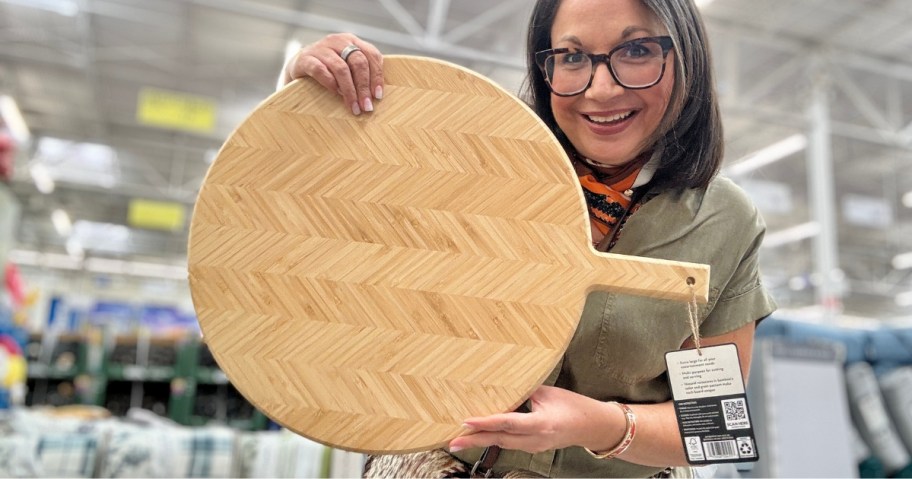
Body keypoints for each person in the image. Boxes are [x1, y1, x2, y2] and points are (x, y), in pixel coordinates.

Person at [282, 0, 777, 477]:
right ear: (545, 69)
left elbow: (711, 428)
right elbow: (325, 233)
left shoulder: (722, 221)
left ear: (686, 57)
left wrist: (598, 425)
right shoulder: (478, 165)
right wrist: (311, 103)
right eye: (573, 57)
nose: (601, 89)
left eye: (637, 50)